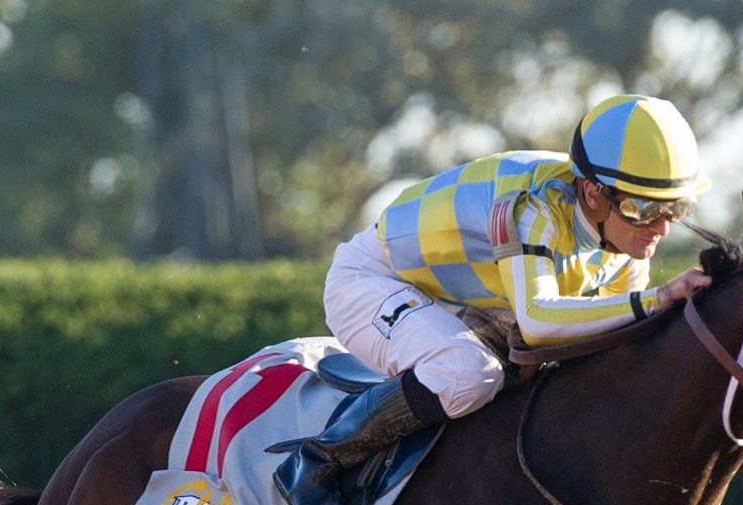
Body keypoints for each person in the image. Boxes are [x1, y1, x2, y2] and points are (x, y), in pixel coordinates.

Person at [297, 93, 715, 470]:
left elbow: (611, 343)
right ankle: (320, 461)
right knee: (466, 373)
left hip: (456, 300)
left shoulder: (622, 243)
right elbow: (537, 321)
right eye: (643, 210)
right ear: (592, 193)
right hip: (371, 279)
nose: (661, 229)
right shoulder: (535, 208)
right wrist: (658, 299)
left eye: (676, 209)